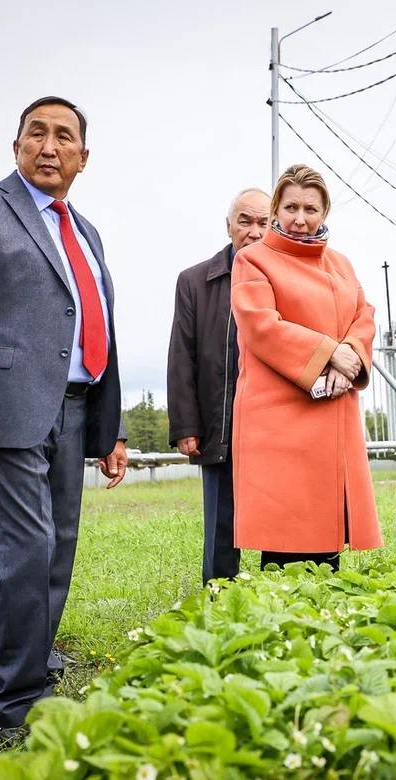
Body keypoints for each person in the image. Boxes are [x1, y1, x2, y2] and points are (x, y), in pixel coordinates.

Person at [0, 96, 128, 747]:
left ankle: (37, 658)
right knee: (24, 554)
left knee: (58, 552)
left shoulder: (86, 231)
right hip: (4, 411)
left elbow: (93, 328)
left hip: (73, 410)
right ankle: (14, 708)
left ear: (83, 155)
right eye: (36, 133)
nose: (49, 146)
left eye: (64, 136)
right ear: (16, 143)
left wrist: (112, 429)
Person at [231, 164, 381, 569]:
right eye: (291, 207)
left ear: (325, 212)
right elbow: (262, 326)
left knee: (327, 541)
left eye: (311, 209)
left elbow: (363, 315)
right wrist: (330, 352)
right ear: (276, 209)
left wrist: (348, 352)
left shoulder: (342, 264)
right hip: (278, 423)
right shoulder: (252, 260)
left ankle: (325, 628)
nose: (300, 219)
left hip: (333, 412)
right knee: (285, 536)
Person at [168, 188, 269, 583]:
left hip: (272, 426)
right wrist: (185, 426)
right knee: (221, 526)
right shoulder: (195, 281)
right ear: (229, 226)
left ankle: (274, 607)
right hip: (220, 424)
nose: (254, 231)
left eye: (264, 222)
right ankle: (217, 604)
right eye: (245, 221)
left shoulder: (286, 276)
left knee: (275, 526)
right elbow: (182, 355)